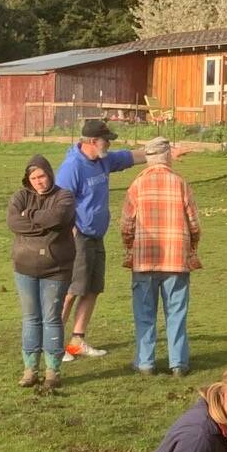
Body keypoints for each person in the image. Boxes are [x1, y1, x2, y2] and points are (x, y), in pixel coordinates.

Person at [56, 119, 146, 359]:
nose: (109, 143)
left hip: (97, 236)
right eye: (106, 140)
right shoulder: (72, 167)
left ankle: (77, 342)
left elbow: (129, 157)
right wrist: (70, 231)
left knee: (92, 289)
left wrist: (158, 153)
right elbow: (59, 203)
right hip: (78, 238)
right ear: (93, 142)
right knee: (72, 291)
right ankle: (54, 344)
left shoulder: (102, 160)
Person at [121, 135, 201, 377]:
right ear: (167, 157)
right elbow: (194, 223)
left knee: (144, 314)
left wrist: (130, 246)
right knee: (176, 313)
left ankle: (145, 362)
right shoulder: (180, 183)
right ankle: (178, 363)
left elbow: (126, 224)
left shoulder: (137, 185)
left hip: (144, 260)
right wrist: (192, 246)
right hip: (176, 259)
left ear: (148, 158)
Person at [7, 153, 76, 392]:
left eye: (42, 175)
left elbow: (57, 217)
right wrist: (43, 224)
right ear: (28, 179)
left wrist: (30, 217)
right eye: (34, 177)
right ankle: (30, 370)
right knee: (30, 318)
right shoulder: (20, 196)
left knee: (51, 318)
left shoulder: (64, 197)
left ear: (50, 174)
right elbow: (13, 223)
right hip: (24, 267)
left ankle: (52, 371)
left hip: (56, 268)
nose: (39, 181)